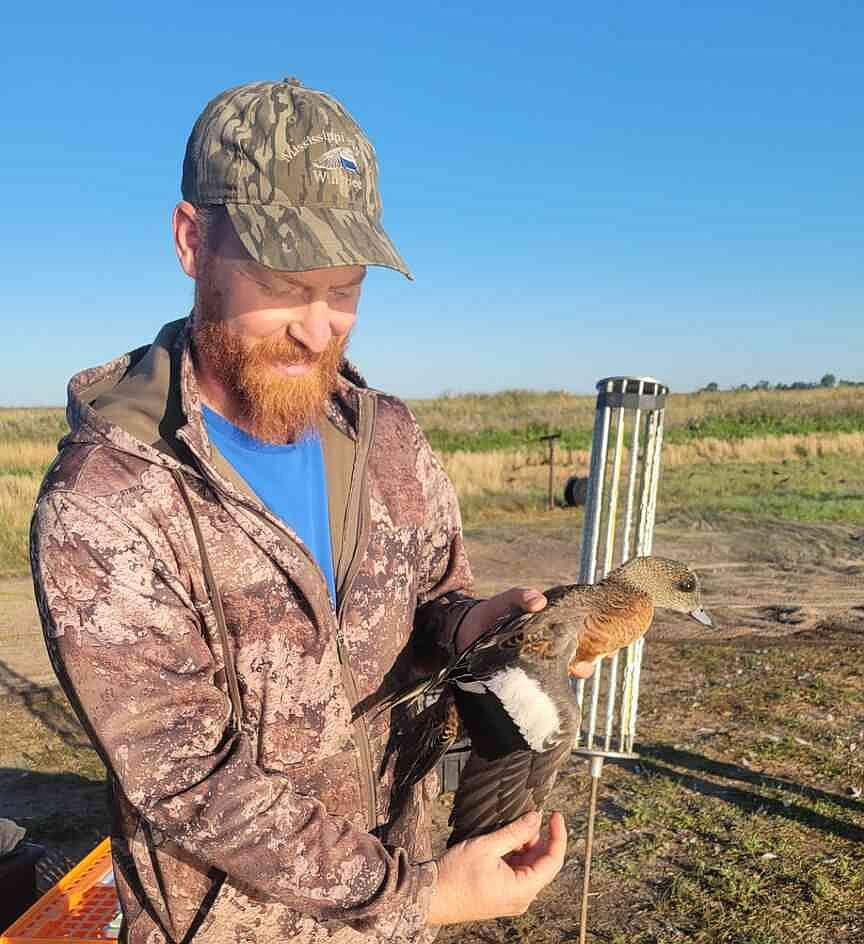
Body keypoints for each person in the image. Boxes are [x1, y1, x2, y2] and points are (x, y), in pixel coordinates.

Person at [30, 78, 593, 943]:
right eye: (284, 284)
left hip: (397, 904)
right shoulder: (110, 501)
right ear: (191, 241)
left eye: (346, 289)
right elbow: (187, 782)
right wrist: (424, 897)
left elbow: (432, 607)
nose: (320, 328)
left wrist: (482, 624)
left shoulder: (388, 438)